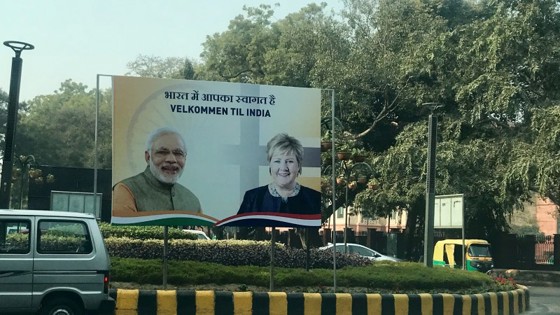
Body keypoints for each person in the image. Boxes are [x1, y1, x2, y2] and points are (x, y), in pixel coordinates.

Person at [112, 127, 202, 215]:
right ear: (148, 157)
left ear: (185, 159)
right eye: (162, 152)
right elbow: (122, 229)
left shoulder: (192, 201)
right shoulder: (127, 190)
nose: (171, 159)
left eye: (178, 153)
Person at [237, 133, 321, 215]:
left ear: (298, 165)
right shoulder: (252, 197)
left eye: (290, 161)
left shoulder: (315, 198)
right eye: (277, 161)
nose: (283, 167)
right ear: (270, 164)